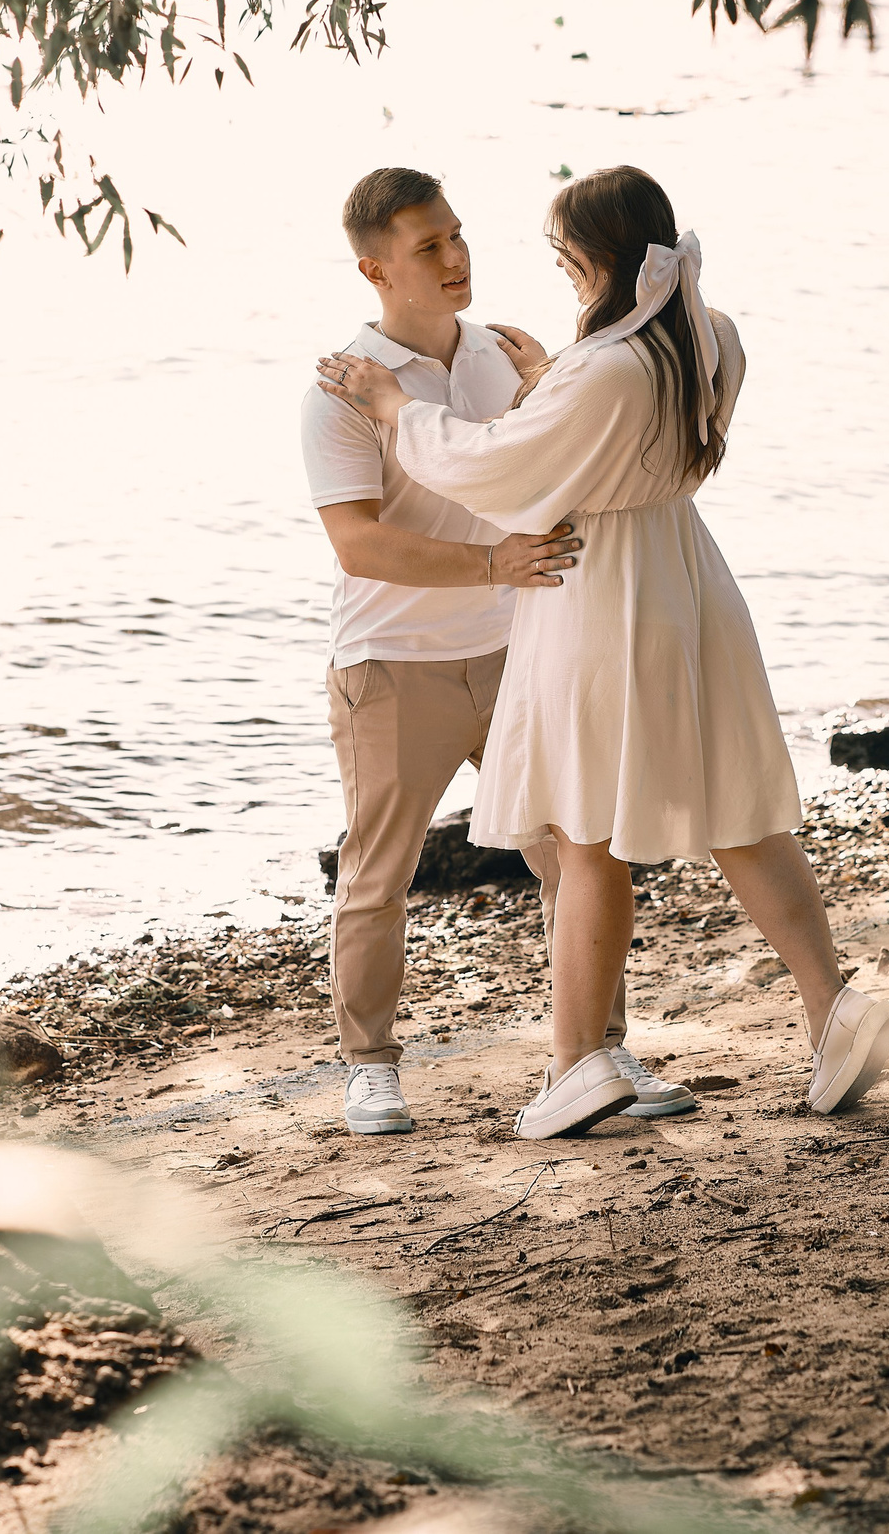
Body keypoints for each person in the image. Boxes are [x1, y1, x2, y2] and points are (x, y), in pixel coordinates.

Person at [316, 165, 889, 1138]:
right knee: (740, 816)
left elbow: (494, 468)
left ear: (595, 257)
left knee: (582, 833)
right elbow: (618, 428)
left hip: (600, 593)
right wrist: (553, 382)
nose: (554, 270)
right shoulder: (707, 336)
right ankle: (832, 1008)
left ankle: (576, 1062)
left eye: (563, 257)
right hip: (688, 580)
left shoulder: (596, 370)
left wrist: (395, 409)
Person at [302, 166, 702, 1135]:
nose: (455, 256)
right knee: (377, 873)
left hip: (522, 651)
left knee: (576, 852)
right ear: (375, 270)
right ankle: (369, 1067)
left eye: (457, 234)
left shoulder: (509, 358)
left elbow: (575, 463)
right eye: (428, 246)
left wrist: (543, 386)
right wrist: (493, 562)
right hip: (392, 664)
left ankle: (597, 1051)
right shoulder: (344, 390)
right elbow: (357, 543)